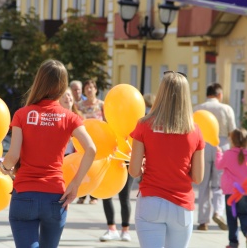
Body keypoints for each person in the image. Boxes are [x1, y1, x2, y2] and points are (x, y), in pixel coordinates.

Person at [0, 59, 96, 248]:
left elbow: (13, 156)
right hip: (55, 196)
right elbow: (91, 149)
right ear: (63, 85)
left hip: (25, 193)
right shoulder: (69, 117)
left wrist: (5, 167)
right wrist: (75, 184)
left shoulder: (22, 114)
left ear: (39, 81)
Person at [129, 71, 205, 248]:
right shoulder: (195, 130)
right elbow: (198, 178)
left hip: (151, 201)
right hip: (182, 205)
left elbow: (134, 171)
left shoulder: (144, 125)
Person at [194, 82, 236, 231]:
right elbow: (233, 132)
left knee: (203, 184)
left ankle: (203, 221)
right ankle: (218, 212)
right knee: (219, 184)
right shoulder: (226, 109)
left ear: (207, 94)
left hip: (202, 145)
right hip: (222, 143)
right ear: (219, 94)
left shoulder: (198, 108)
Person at [215, 128, 247, 248]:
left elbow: (219, 166)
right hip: (244, 192)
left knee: (232, 218)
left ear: (232, 140)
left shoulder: (228, 154)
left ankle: (233, 243)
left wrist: (219, 153)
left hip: (231, 193)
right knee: (244, 215)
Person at [76, 79, 104, 205]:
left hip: (99, 141)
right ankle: (82, 194)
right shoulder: (79, 106)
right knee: (82, 166)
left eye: (91, 87)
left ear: (96, 90)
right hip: (83, 140)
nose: (89, 89)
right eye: (86, 87)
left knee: (96, 168)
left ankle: (94, 195)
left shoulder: (101, 105)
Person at [99, 172, 134, 242]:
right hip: (109, 167)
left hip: (126, 167)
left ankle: (125, 230)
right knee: (106, 195)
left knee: (124, 198)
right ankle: (112, 229)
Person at [59, 87, 83, 156]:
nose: (67, 97)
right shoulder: (56, 119)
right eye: (63, 96)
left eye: (69, 95)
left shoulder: (80, 118)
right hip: (61, 158)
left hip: (75, 157)